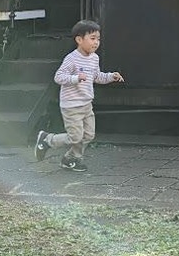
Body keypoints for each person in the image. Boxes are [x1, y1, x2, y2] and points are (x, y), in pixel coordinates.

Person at [33, 20, 124, 171]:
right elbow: (58, 77)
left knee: (88, 135)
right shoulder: (72, 58)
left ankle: (70, 159)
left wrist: (110, 77)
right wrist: (75, 78)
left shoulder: (94, 58)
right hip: (71, 105)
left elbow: (96, 77)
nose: (96, 42)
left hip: (86, 104)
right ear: (79, 40)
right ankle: (47, 140)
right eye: (92, 38)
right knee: (75, 137)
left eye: (98, 39)